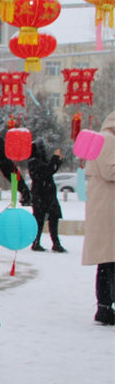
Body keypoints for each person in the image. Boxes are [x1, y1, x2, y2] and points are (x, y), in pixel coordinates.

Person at [82, 111, 115, 326]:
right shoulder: (108, 139)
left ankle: (104, 306)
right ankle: (104, 307)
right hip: (108, 208)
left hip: (105, 207)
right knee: (109, 260)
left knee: (107, 261)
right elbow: (110, 171)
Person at [27, 138, 66, 252]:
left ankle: (55, 243)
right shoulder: (34, 162)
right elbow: (48, 170)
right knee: (39, 220)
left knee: (53, 218)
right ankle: (36, 242)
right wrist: (55, 158)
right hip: (41, 195)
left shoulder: (38, 161)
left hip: (47, 194)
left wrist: (57, 160)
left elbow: (51, 169)